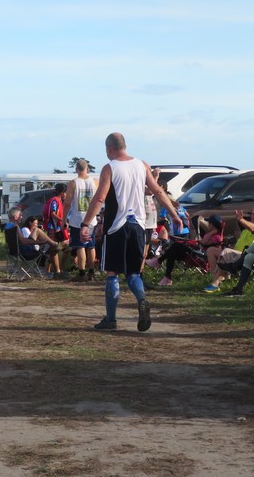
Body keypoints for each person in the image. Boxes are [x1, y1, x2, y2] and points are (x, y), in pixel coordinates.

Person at [78, 132, 182, 331]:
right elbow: (157, 191)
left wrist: (86, 224)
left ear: (109, 148)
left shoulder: (110, 168)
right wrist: (174, 215)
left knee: (112, 273)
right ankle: (141, 300)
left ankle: (111, 319)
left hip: (116, 226)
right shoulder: (141, 165)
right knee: (134, 273)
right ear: (125, 146)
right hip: (138, 226)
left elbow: (100, 198)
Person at [203, 205, 254, 293]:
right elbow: (240, 243)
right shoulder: (246, 229)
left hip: (248, 256)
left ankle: (216, 283)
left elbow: (253, 228)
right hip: (237, 253)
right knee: (211, 250)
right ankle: (218, 277)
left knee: (226, 252)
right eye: (253, 214)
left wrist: (241, 220)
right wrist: (232, 248)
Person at [64, 159, 98, 282]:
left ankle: (82, 273)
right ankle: (91, 272)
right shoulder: (95, 182)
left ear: (76, 169)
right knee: (91, 246)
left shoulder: (73, 183)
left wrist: (63, 219)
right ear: (87, 169)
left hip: (77, 219)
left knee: (80, 246)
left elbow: (67, 203)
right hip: (91, 219)